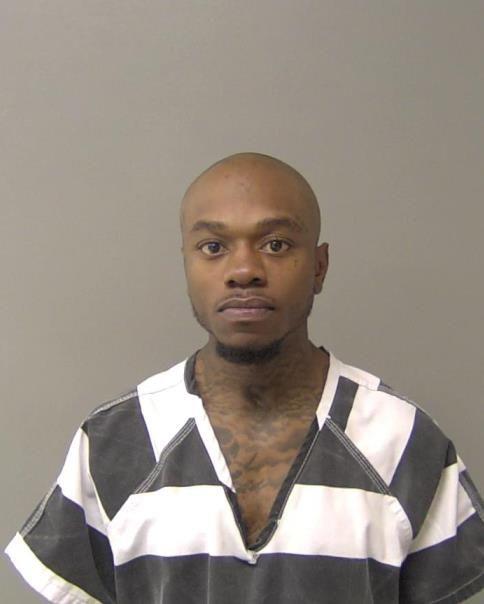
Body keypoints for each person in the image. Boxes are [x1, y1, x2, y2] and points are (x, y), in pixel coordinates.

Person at [5, 153, 484, 603]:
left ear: (319, 267)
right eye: (213, 247)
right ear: (187, 264)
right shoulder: (116, 441)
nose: (243, 271)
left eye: (276, 244)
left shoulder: (404, 440)